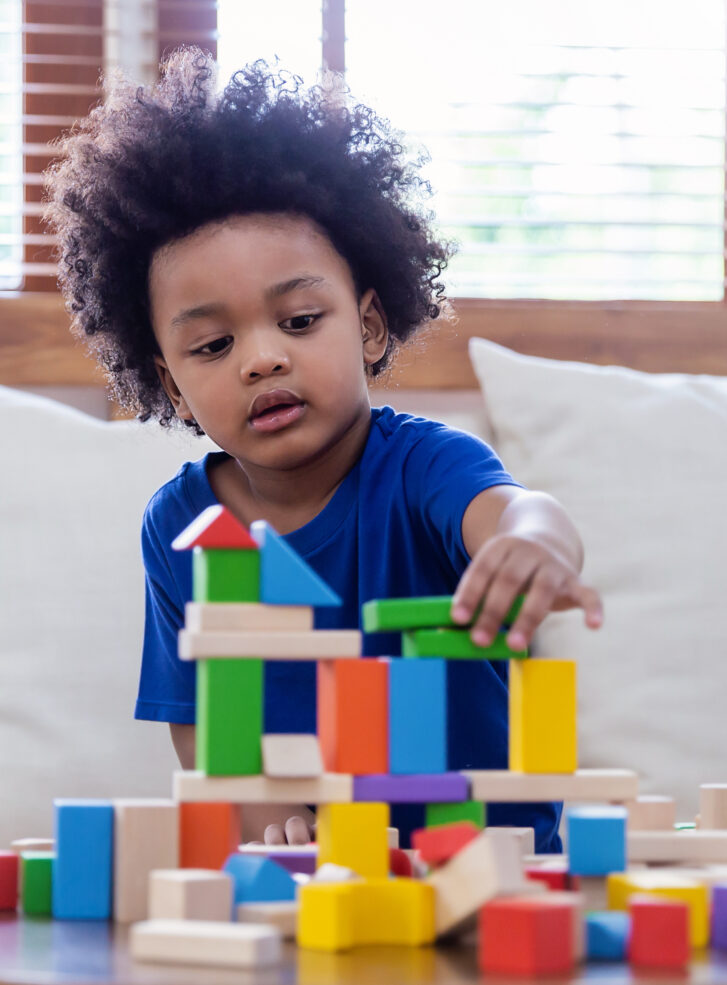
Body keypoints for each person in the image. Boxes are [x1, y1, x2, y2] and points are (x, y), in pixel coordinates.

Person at [44, 49, 602, 852]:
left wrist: (534, 546)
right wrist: (259, 824)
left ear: (368, 325)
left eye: (299, 321)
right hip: (322, 882)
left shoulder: (424, 467)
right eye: (212, 344)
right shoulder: (179, 526)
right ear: (168, 383)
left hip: (494, 866)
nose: (261, 358)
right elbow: (201, 727)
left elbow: (511, 509)